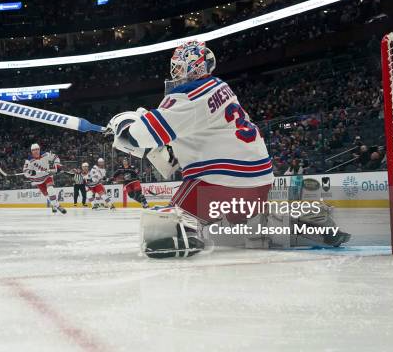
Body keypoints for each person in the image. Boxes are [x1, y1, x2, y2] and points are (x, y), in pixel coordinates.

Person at [108, 40, 349, 258]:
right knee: (242, 219)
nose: (176, 73)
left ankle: (187, 230)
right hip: (258, 178)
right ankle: (306, 219)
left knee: (163, 228)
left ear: (196, 67)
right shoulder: (218, 86)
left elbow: (140, 136)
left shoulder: (187, 96)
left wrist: (124, 123)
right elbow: (178, 142)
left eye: (180, 67)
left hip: (220, 181)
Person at [23, 143, 66, 214]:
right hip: (37, 181)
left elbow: (55, 157)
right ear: (31, 151)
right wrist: (30, 172)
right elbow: (25, 172)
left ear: (39, 149)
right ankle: (54, 205)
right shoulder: (29, 160)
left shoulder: (46, 154)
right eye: (33, 150)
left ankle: (58, 206)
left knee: (50, 189)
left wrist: (57, 165)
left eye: (37, 149)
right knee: (47, 195)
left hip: (47, 176)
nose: (36, 151)